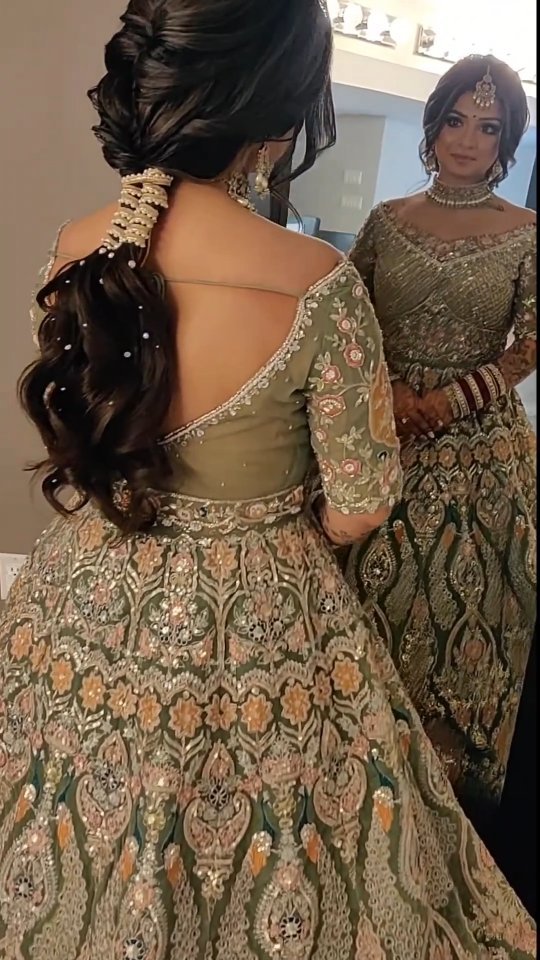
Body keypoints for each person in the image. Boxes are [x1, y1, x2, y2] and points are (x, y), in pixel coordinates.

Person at [0, 7, 535, 954]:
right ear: (281, 115)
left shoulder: (77, 244)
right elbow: (362, 502)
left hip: (79, 593)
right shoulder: (314, 278)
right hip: (261, 610)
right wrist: (278, 533)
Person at [347, 54, 536, 828]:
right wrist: (389, 391)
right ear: (433, 125)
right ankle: (356, 766)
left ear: (506, 141)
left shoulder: (527, 233)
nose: (467, 139)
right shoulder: (386, 221)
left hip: (481, 456)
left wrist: (449, 400)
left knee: (475, 604)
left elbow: (531, 344)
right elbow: (348, 322)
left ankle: (453, 792)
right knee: (366, 595)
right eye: (455, 120)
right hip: (382, 433)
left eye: (487, 127)